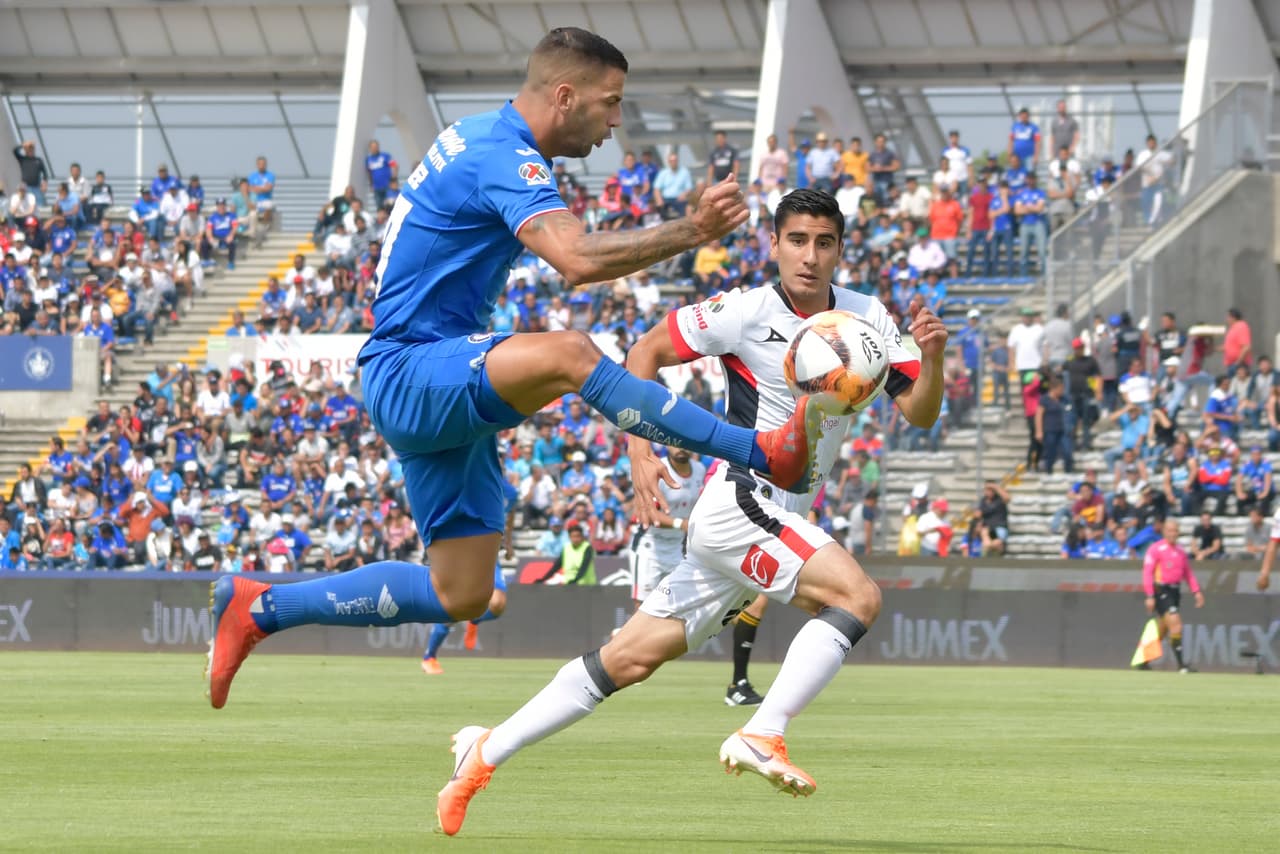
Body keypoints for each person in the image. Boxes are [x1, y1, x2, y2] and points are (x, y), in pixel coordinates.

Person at [206, 28, 824, 711]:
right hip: (413, 369)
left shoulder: (482, 138)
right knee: (569, 353)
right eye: (610, 102)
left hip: (426, 378)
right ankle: (761, 451)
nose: (616, 122)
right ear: (565, 96)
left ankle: (259, 607)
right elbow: (578, 261)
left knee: (462, 593)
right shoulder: (503, 154)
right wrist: (691, 232)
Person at [432, 188, 945, 836]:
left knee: (627, 660)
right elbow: (644, 353)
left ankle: (482, 753)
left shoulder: (869, 319)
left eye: (823, 242)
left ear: (840, 249)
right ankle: (764, 731)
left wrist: (934, 359)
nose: (809, 256)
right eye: (796, 240)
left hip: (767, 515)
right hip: (742, 497)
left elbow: (920, 411)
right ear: (774, 244)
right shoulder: (745, 311)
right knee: (857, 597)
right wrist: (640, 452)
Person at [422, 476, 518, 674]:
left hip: (489, 555)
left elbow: (510, 516)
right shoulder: (468, 481)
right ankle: (429, 656)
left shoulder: (510, 492)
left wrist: (508, 543)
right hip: (461, 551)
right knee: (453, 607)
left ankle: (475, 620)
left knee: (498, 605)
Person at [1141, 519, 1204, 672]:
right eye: (1169, 530)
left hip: (1175, 592)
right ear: (1164, 532)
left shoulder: (1181, 552)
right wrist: (1149, 595)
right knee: (1176, 624)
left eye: (1175, 530)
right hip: (1161, 591)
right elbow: (1148, 573)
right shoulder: (1156, 549)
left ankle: (1144, 659)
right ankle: (1181, 665)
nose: (1172, 534)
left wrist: (1196, 591)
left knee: (1163, 628)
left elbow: (1188, 574)